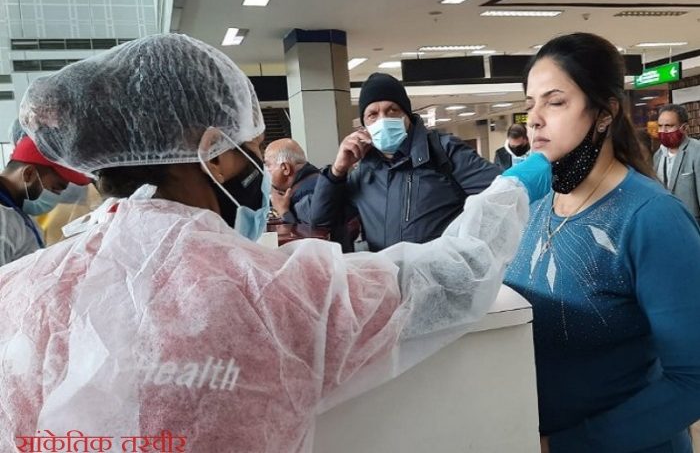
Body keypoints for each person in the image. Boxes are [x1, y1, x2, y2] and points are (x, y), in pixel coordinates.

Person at [0, 34, 552, 452]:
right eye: (250, 148)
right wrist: (514, 189)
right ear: (214, 153)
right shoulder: (266, 292)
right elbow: (455, 277)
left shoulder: (19, 290)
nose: (260, 170)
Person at [504, 33, 700, 453]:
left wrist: (564, 445)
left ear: (606, 112)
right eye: (529, 104)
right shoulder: (535, 205)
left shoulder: (652, 218)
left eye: (554, 102)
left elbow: (692, 381)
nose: (533, 119)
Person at [310, 72, 502, 252]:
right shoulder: (364, 172)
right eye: (373, 114)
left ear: (407, 115)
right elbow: (320, 221)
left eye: (392, 110)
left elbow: (502, 195)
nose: (383, 119)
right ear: (364, 125)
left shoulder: (443, 151)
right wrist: (338, 171)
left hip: (442, 279)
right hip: (387, 279)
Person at [0, 134, 90, 265]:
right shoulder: (3, 220)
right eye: (55, 188)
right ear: (29, 174)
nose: (57, 197)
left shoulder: (14, 213)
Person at [653, 104, 700, 223]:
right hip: (666, 223)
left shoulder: (696, 151)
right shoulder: (657, 155)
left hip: (691, 225)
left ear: (684, 128)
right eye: (660, 126)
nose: (663, 131)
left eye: (668, 126)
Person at [264, 137, 319, 224]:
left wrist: (283, 211)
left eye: (268, 165)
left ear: (285, 168)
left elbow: (310, 235)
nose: (265, 170)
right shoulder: (315, 181)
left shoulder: (307, 195)